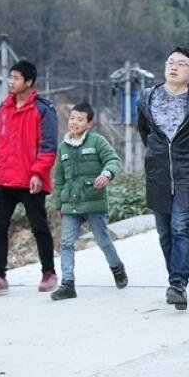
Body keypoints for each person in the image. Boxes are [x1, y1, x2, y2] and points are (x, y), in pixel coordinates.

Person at [137, 46, 189, 311]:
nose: (174, 67)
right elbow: (145, 133)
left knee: (181, 228)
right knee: (164, 233)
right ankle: (175, 280)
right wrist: (156, 157)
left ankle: (177, 284)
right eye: (170, 62)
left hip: (188, 174)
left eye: (181, 64)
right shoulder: (147, 97)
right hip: (158, 175)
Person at [0, 60, 58, 294]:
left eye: (16, 78)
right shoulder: (2, 110)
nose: (11, 82)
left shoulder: (43, 110)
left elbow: (48, 146)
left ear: (29, 82)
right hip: (2, 180)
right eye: (10, 77)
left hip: (30, 180)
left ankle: (48, 273)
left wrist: (38, 173)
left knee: (39, 227)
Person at [51, 102, 128, 301]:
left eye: (80, 119)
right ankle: (67, 284)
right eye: (72, 118)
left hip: (93, 201)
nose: (74, 122)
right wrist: (59, 205)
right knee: (66, 243)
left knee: (102, 240)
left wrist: (106, 174)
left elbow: (113, 160)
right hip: (70, 205)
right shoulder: (63, 147)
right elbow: (59, 179)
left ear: (89, 123)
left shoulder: (97, 141)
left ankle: (117, 268)